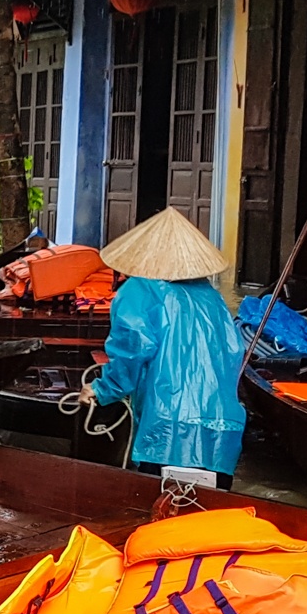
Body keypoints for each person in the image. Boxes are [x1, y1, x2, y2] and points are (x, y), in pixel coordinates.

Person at [80, 207, 246, 486]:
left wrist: (101, 390)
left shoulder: (138, 290)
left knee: (160, 506)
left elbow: (131, 352)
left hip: (167, 429)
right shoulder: (213, 297)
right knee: (210, 508)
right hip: (222, 428)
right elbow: (232, 354)